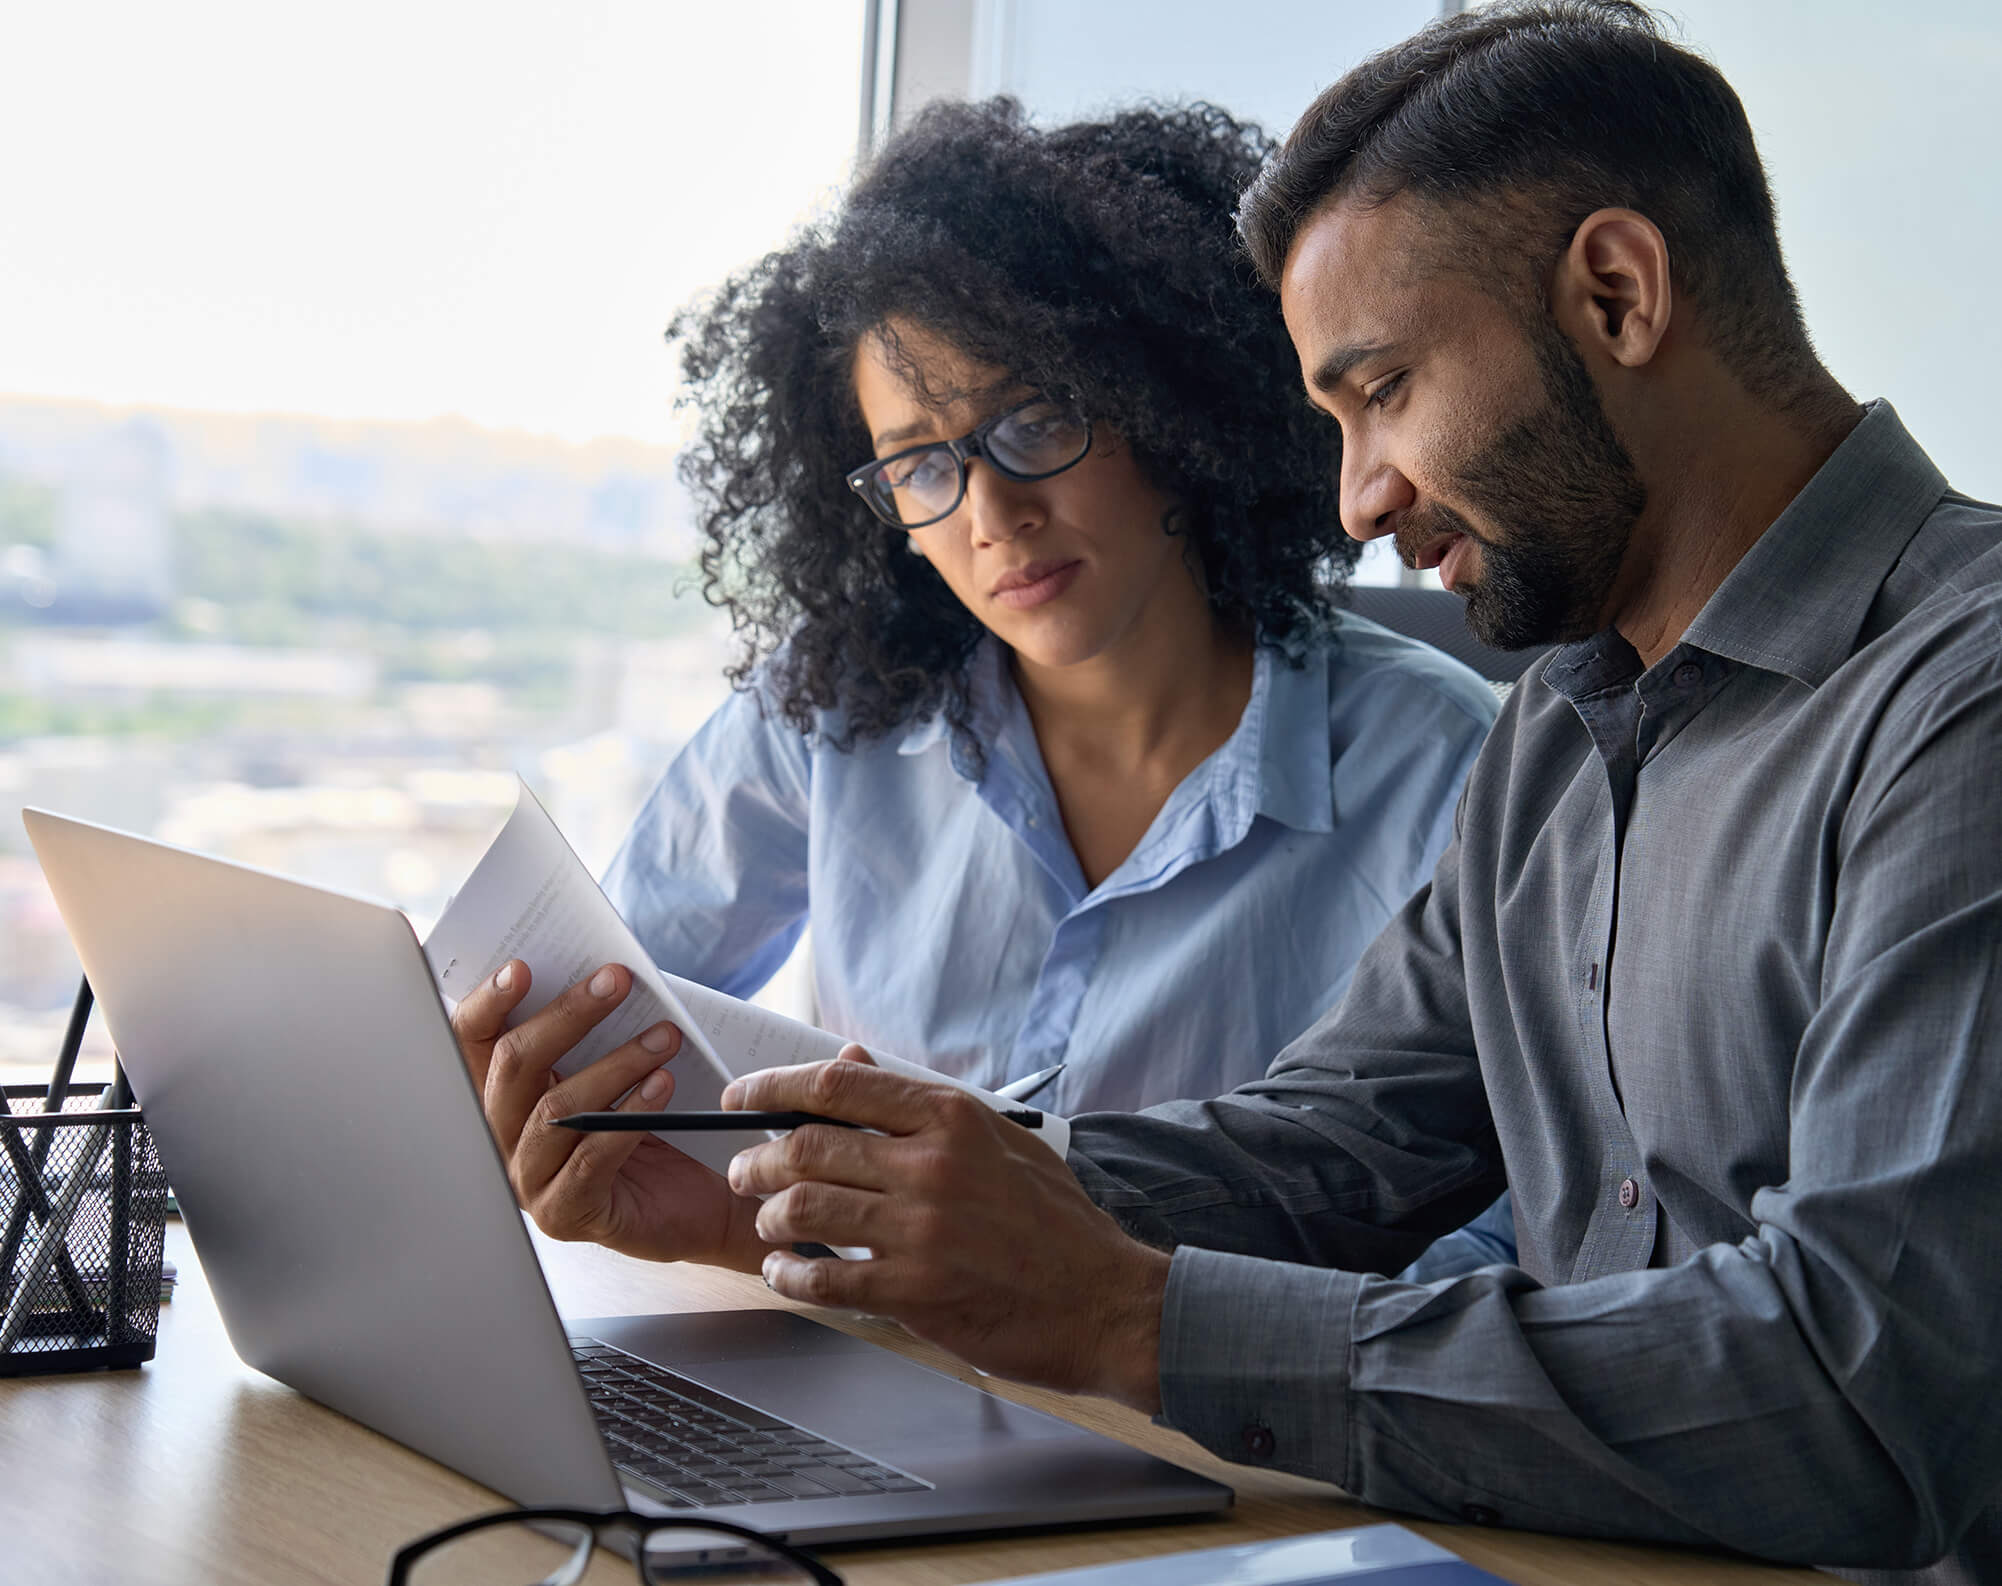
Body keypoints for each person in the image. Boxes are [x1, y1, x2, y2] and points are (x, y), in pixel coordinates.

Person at [466, 5, 2002, 1578]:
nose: (1357, 493)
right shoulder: (1565, 721)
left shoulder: (1965, 702)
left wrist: (1135, 1320)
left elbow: (1862, 1397)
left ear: (1616, 294)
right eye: (1330, 422)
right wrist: (822, 1209)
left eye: (1385, 389)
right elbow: (1334, 1148)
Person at [460, 99, 1512, 1264]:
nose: (994, 512)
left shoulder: (1449, 771)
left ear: (1172, 411)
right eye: (919, 464)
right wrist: (538, 1108)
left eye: (1038, 421)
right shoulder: (830, 713)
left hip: (1214, 1421)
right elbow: (618, 1007)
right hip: (852, 1350)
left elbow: (1505, 1246)